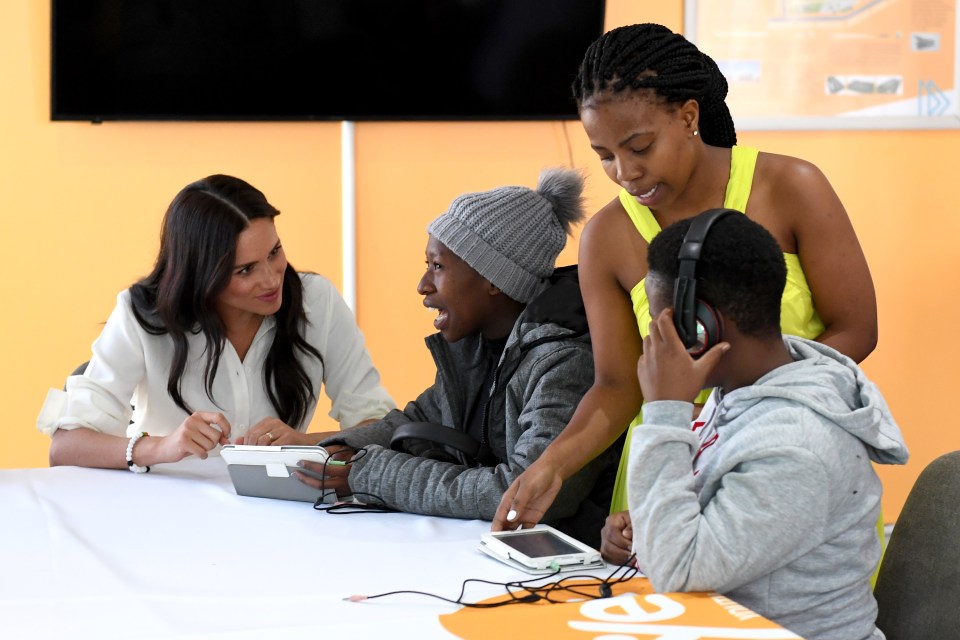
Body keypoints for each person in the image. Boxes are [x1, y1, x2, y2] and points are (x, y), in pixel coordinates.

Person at [493, 22, 878, 529]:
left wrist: (743, 413)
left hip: (789, 456)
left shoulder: (791, 187)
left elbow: (856, 329)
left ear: (689, 116)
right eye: (604, 156)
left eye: (640, 147)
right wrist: (551, 466)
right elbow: (616, 384)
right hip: (666, 473)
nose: (625, 173)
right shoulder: (606, 237)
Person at [600, 210, 907, 639]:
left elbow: (680, 573)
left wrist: (666, 408)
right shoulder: (740, 392)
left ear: (700, 327)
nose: (651, 339)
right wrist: (647, 526)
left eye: (659, 322)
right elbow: (715, 520)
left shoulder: (797, 443)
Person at [295, 169, 619, 544]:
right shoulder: (478, 349)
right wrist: (341, 448)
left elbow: (521, 491)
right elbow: (418, 418)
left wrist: (374, 473)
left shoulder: (564, 363)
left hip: (561, 570)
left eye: (438, 266)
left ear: (495, 279)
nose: (423, 285)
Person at [38, 175, 395, 471]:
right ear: (202, 274)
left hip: (277, 516)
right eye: (245, 270)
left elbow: (383, 427)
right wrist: (163, 447)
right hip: (161, 512)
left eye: (274, 253)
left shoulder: (318, 301)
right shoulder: (141, 312)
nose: (272, 280)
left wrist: (306, 444)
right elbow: (66, 447)